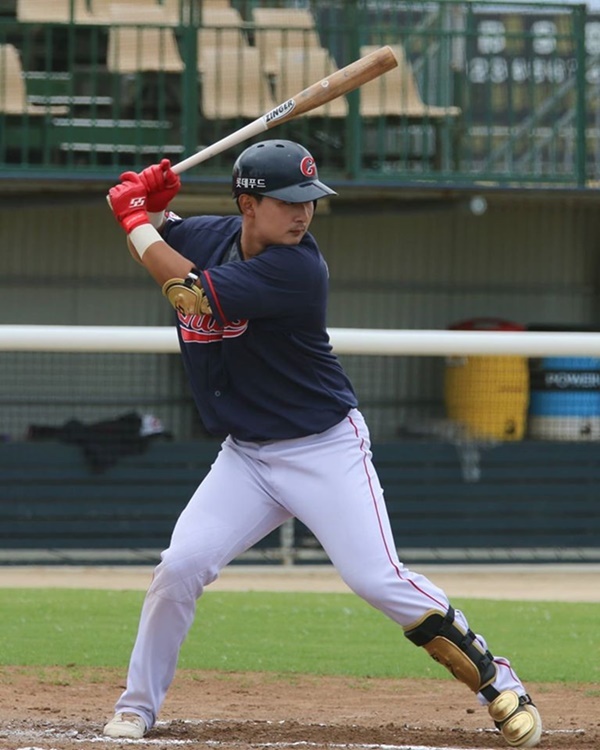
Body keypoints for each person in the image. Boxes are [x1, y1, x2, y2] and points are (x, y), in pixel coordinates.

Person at [103, 139, 542, 748]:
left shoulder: (298, 267)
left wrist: (130, 217)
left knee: (376, 578)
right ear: (247, 204)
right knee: (179, 568)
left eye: (309, 200)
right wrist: (147, 206)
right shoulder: (207, 236)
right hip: (248, 456)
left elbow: (189, 293)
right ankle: (136, 708)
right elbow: (157, 237)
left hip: (323, 449)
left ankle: (498, 680)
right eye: (288, 201)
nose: (303, 213)